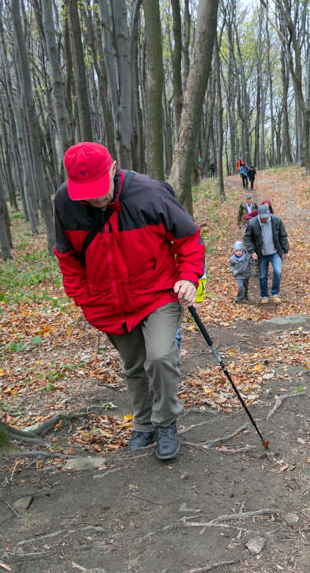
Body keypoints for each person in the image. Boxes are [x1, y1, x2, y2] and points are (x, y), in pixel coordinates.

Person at [54, 142, 205, 461]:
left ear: (113, 169)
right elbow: (67, 258)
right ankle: (144, 423)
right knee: (135, 365)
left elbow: (189, 238)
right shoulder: (65, 202)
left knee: (161, 356)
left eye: (99, 189)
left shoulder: (150, 194)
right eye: (86, 193)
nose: (95, 199)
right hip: (108, 303)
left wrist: (189, 277)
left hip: (157, 292)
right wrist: (85, 298)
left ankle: (165, 423)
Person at [244, 204, 289, 304]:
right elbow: (247, 238)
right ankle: (264, 295)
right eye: (263, 216)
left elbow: (283, 235)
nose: (265, 218)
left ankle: (275, 293)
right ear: (259, 214)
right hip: (261, 253)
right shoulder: (252, 223)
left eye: (266, 216)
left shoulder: (276, 220)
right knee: (262, 275)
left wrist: (285, 250)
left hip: (275, 252)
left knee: (278, 272)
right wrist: (252, 251)